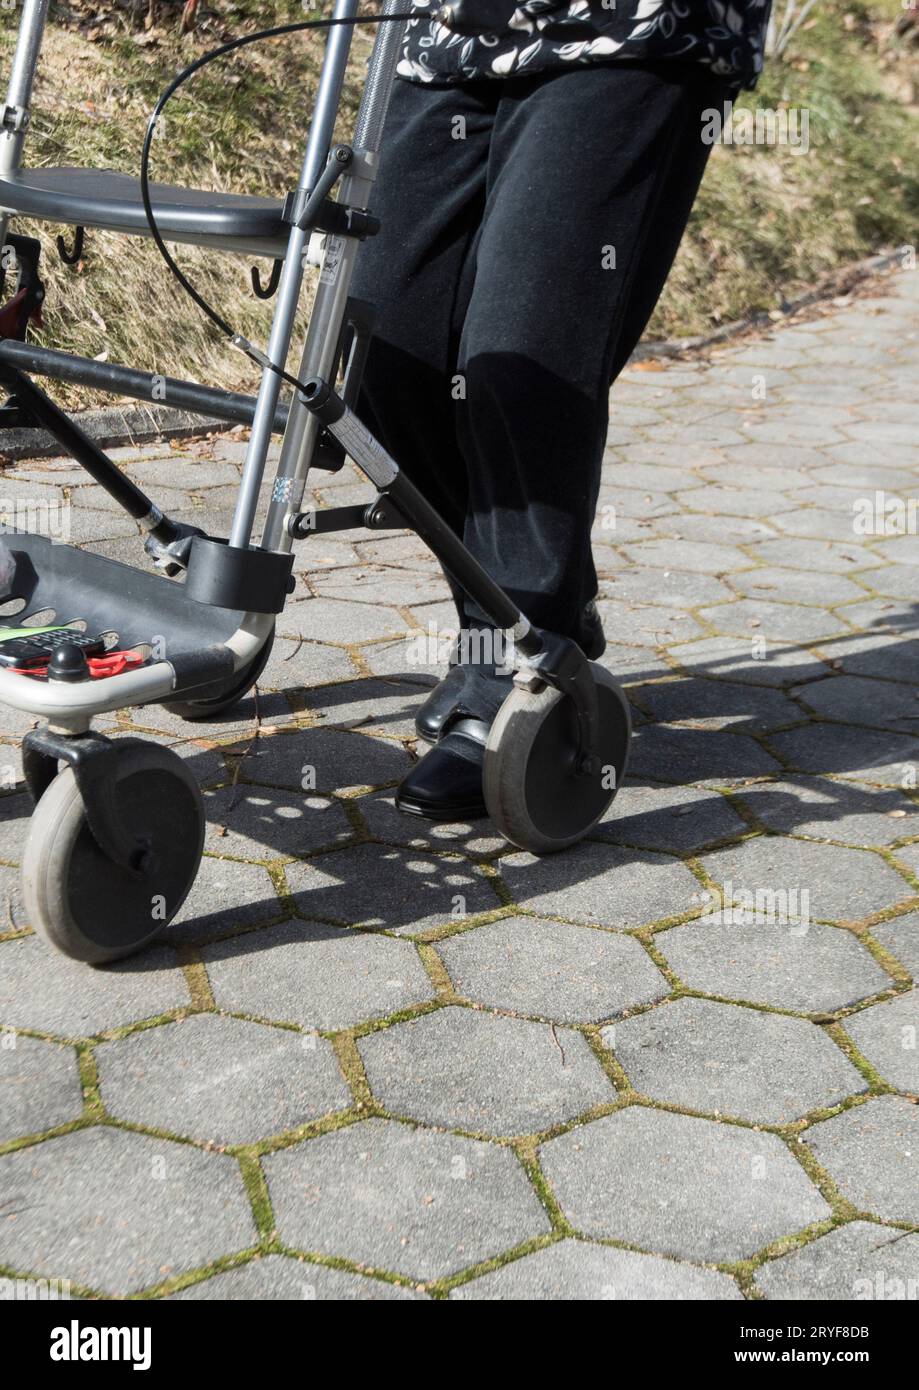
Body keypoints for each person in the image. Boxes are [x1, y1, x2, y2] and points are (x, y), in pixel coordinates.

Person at [350, 0, 773, 821]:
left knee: (522, 355)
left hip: (634, 29)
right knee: (380, 343)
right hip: (451, 30)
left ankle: (520, 654)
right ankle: (518, 607)